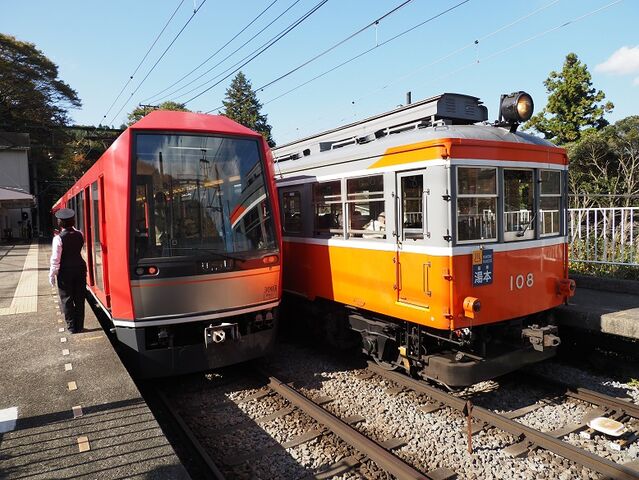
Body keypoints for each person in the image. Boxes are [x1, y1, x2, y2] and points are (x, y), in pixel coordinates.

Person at [49, 208, 87, 333]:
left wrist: (52, 274)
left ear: (59, 223)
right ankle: (80, 326)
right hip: (80, 269)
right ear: (73, 221)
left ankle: (71, 327)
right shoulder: (80, 234)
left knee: (67, 299)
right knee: (79, 298)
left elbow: (56, 259)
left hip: (65, 272)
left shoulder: (58, 239)